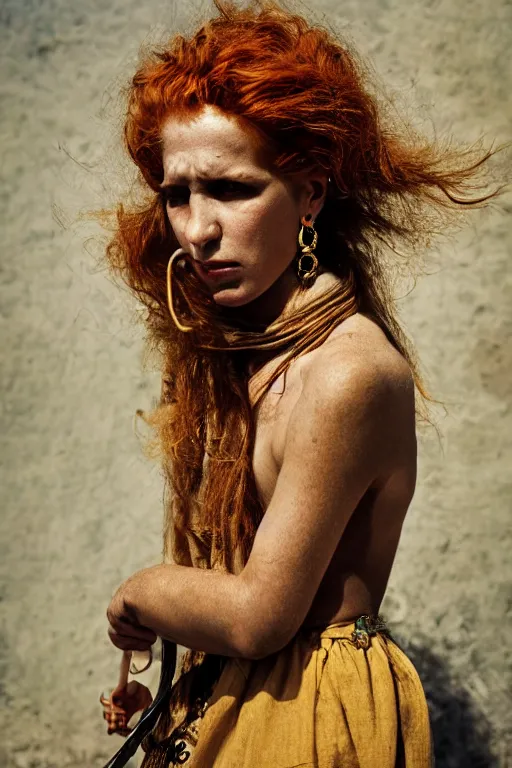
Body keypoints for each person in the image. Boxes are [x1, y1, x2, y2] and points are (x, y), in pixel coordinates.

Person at [98, 1, 502, 765]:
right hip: (234, 699)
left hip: (312, 717)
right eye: (176, 194)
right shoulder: (234, 349)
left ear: (311, 193)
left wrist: (143, 591)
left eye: (232, 189)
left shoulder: (350, 373)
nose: (196, 228)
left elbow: (259, 617)